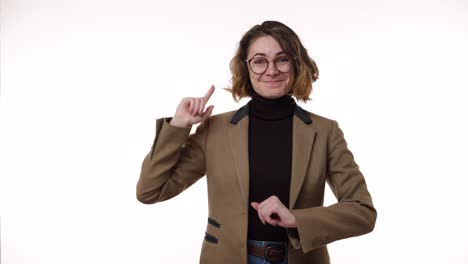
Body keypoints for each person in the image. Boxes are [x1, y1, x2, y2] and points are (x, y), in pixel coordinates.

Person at [136, 20, 377, 264]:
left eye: (281, 59)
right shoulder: (215, 130)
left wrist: (297, 219)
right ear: (246, 68)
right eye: (259, 61)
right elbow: (150, 191)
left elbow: (362, 211)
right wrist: (179, 126)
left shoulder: (325, 131)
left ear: (296, 65)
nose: (271, 70)